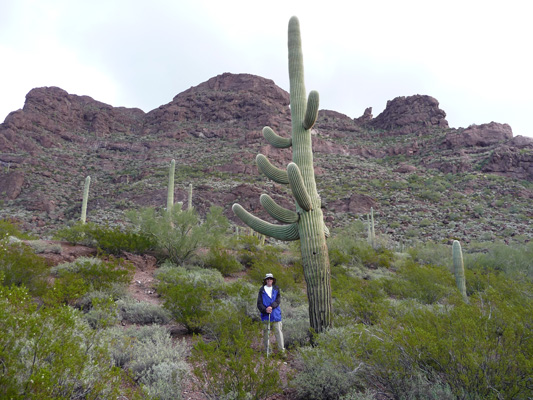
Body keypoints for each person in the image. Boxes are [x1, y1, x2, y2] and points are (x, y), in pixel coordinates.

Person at [257, 273, 285, 354]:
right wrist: (265, 310)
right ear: (265, 280)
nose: (269, 280)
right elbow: (259, 303)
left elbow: (278, 300)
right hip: (265, 316)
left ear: (273, 280)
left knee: (279, 333)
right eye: (267, 279)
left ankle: (281, 351)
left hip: (275, 315)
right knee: (266, 334)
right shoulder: (261, 290)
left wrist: (271, 307)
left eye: (270, 279)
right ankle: (268, 351)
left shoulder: (276, 289)